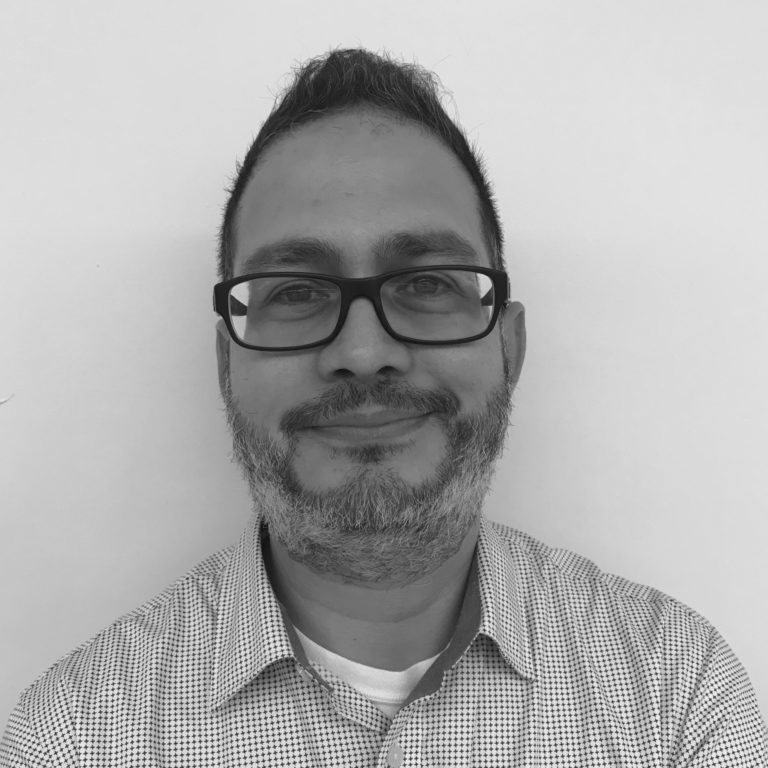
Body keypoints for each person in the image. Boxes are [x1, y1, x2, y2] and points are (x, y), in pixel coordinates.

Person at [2, 47, 766, 768]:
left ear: (510, 346)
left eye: (427, 283)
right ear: (226, 361)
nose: (364, 352)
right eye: (295, 292)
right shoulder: (71, 739)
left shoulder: (677, 693)